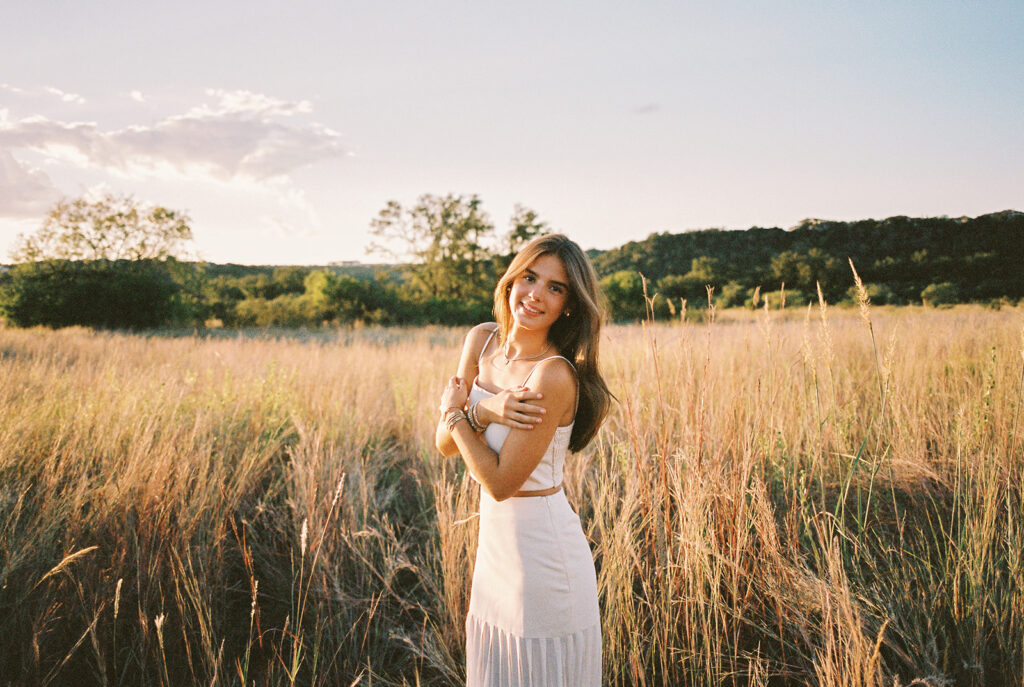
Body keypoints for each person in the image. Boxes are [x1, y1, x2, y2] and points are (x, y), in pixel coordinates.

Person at [435, 233, 612, 686]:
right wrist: (482, 410)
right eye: (529, 277)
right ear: (511, 280)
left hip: (543, 559)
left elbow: (498, 482)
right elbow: (443, 442)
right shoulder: (480, 340)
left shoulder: (552, 374)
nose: (535, 295)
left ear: (569, 305)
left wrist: (459, 412)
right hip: (495, 554)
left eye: (556, 288)